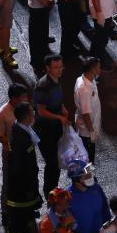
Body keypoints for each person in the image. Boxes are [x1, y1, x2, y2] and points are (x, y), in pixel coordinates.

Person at [6, 102, 44, 233]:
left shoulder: (21, 132)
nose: (34, 115)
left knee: (24, 219)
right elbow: (21, 169)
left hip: (21, 190)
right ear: (27, 117)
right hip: (21, 193)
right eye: (32, 113)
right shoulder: (21, 139)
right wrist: (30, 190)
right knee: (19, 222)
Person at [34, 55, 70, 198]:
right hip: (45, 130)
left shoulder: (56, 80)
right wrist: (59, 117)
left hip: (55, 127)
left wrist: (62, 107)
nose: (59, 70)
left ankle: (54, 188)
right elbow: (41, 111)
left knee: (56, 160)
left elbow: (56, 100)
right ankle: (50, 192)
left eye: (61, 67)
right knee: (52, 162)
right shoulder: (43, 86)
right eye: (56, 67)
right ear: (47, 68)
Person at [0, 83, 30, 222]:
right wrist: (12, 146)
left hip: (25, 152)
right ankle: (5, 210)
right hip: (11, 154)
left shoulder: (24, 109)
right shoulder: (2, 114)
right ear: (14, 98)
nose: (26, 99)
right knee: (8, 180)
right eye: (23, 97)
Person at [74, 57, 103, 162]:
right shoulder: (84, 89)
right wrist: (91, 132)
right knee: (87, 160)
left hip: (88, 125)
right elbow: (85, 114)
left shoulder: (85, 79)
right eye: (99, 68)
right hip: (86, 131)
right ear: (92, 69)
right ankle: (87, 177)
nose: (100, 70)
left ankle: (87, 176)